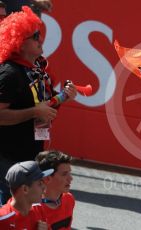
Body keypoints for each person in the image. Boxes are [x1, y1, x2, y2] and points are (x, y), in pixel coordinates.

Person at [0, 6, 76, 204]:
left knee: (26, 209)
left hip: (30, 152)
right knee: (14, 208)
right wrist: (35, 110)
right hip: (7, 156)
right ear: (19, 43)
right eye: (34, 36)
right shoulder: (10, 74)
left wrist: (63, 97)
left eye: (39, 34)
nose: (39, 39)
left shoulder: (36, 70)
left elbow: (45, 109)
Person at [0, 161, 53, 229]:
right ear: (25, 189)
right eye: (40, 183)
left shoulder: (39, 208)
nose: (44, 187)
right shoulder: (3, 220)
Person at [34, 150, 75, 229]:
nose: (71, 178)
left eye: (70, 173)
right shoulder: (32, 210)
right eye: (64, 174)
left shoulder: (69, 199)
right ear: (47, 179)